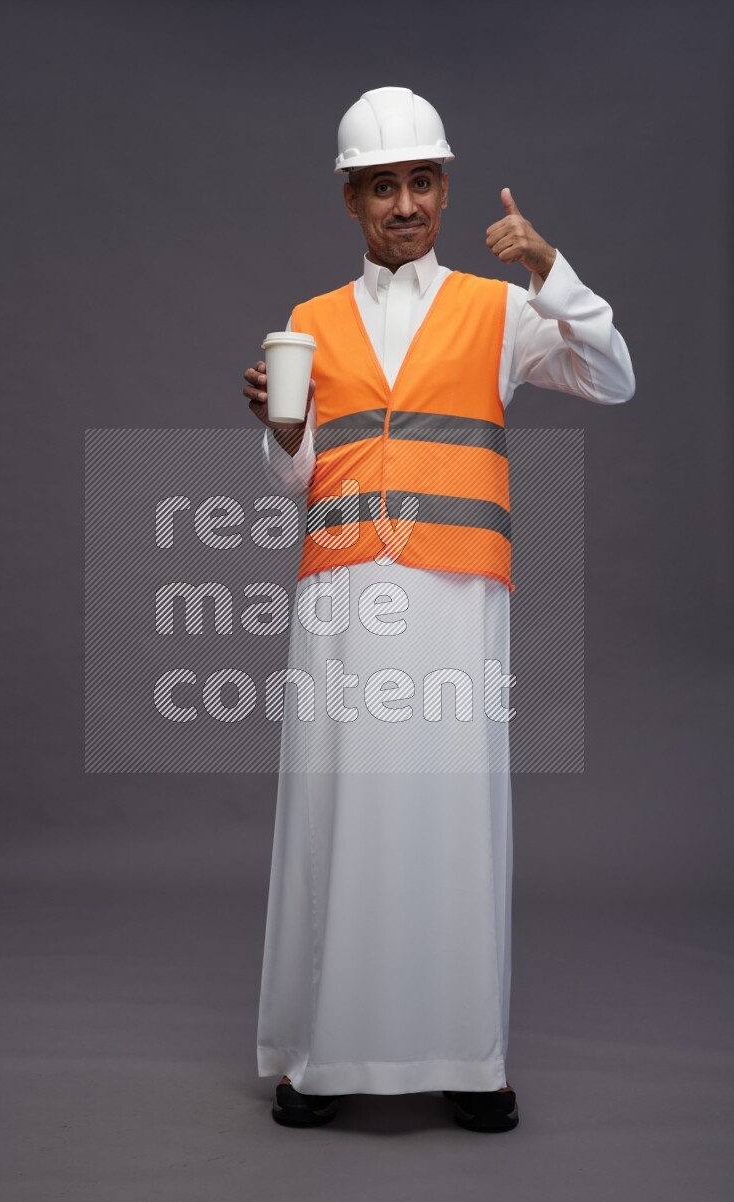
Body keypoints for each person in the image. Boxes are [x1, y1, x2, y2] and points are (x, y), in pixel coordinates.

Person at [242, 86, 635, 1131]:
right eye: (383, 186)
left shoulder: (501, 309)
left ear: (445, 191)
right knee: (338, 812)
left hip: (456, 596)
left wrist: (549, 270)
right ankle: (322, 1058)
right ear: (351, 200)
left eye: (420, 182)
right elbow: (291, 484)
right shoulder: (309, 323)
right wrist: (281, 436)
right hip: (341, 597)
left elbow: (613, 374)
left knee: (452, 815)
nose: (404, 203)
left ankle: (468, 1054)